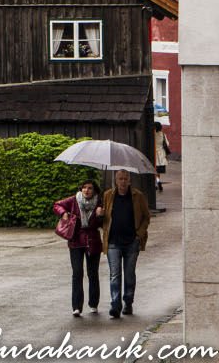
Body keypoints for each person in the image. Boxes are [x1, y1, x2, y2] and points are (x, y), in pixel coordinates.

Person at [100, 169, 150, 318]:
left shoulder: (138, 196)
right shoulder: (108, 195)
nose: (123, 182)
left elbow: (146, 218)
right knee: (115, 275)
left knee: (129, 274)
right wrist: (100, 215)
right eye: (120, 179)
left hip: (131, 242)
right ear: (116, 180)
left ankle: (128, 302)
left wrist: (138, 235)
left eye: (125, 179)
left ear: (129, 181)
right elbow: (102, 220)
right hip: (113, 242)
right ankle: (115, 304)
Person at [53, 180, 103, 316]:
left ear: (95, 191)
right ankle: (76, 307)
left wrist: (101, 215)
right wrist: (63, 213)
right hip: (76, 239)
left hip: (93, 240)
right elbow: (57, 205)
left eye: (90, 188)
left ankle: (93, 304)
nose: (86, 190)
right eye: (84, 188)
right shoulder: (74, 200)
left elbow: (104, 222)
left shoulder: (100, 202)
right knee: (77, 273)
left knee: (93, 273)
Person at [154, 122, 171, 192]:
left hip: (154, 154)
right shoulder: (163, 135)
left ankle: (157, 182)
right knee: (158, 171)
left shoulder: (153, 135)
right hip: (161, 155)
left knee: (154, 170)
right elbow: (167, 144)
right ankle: (158, 181)